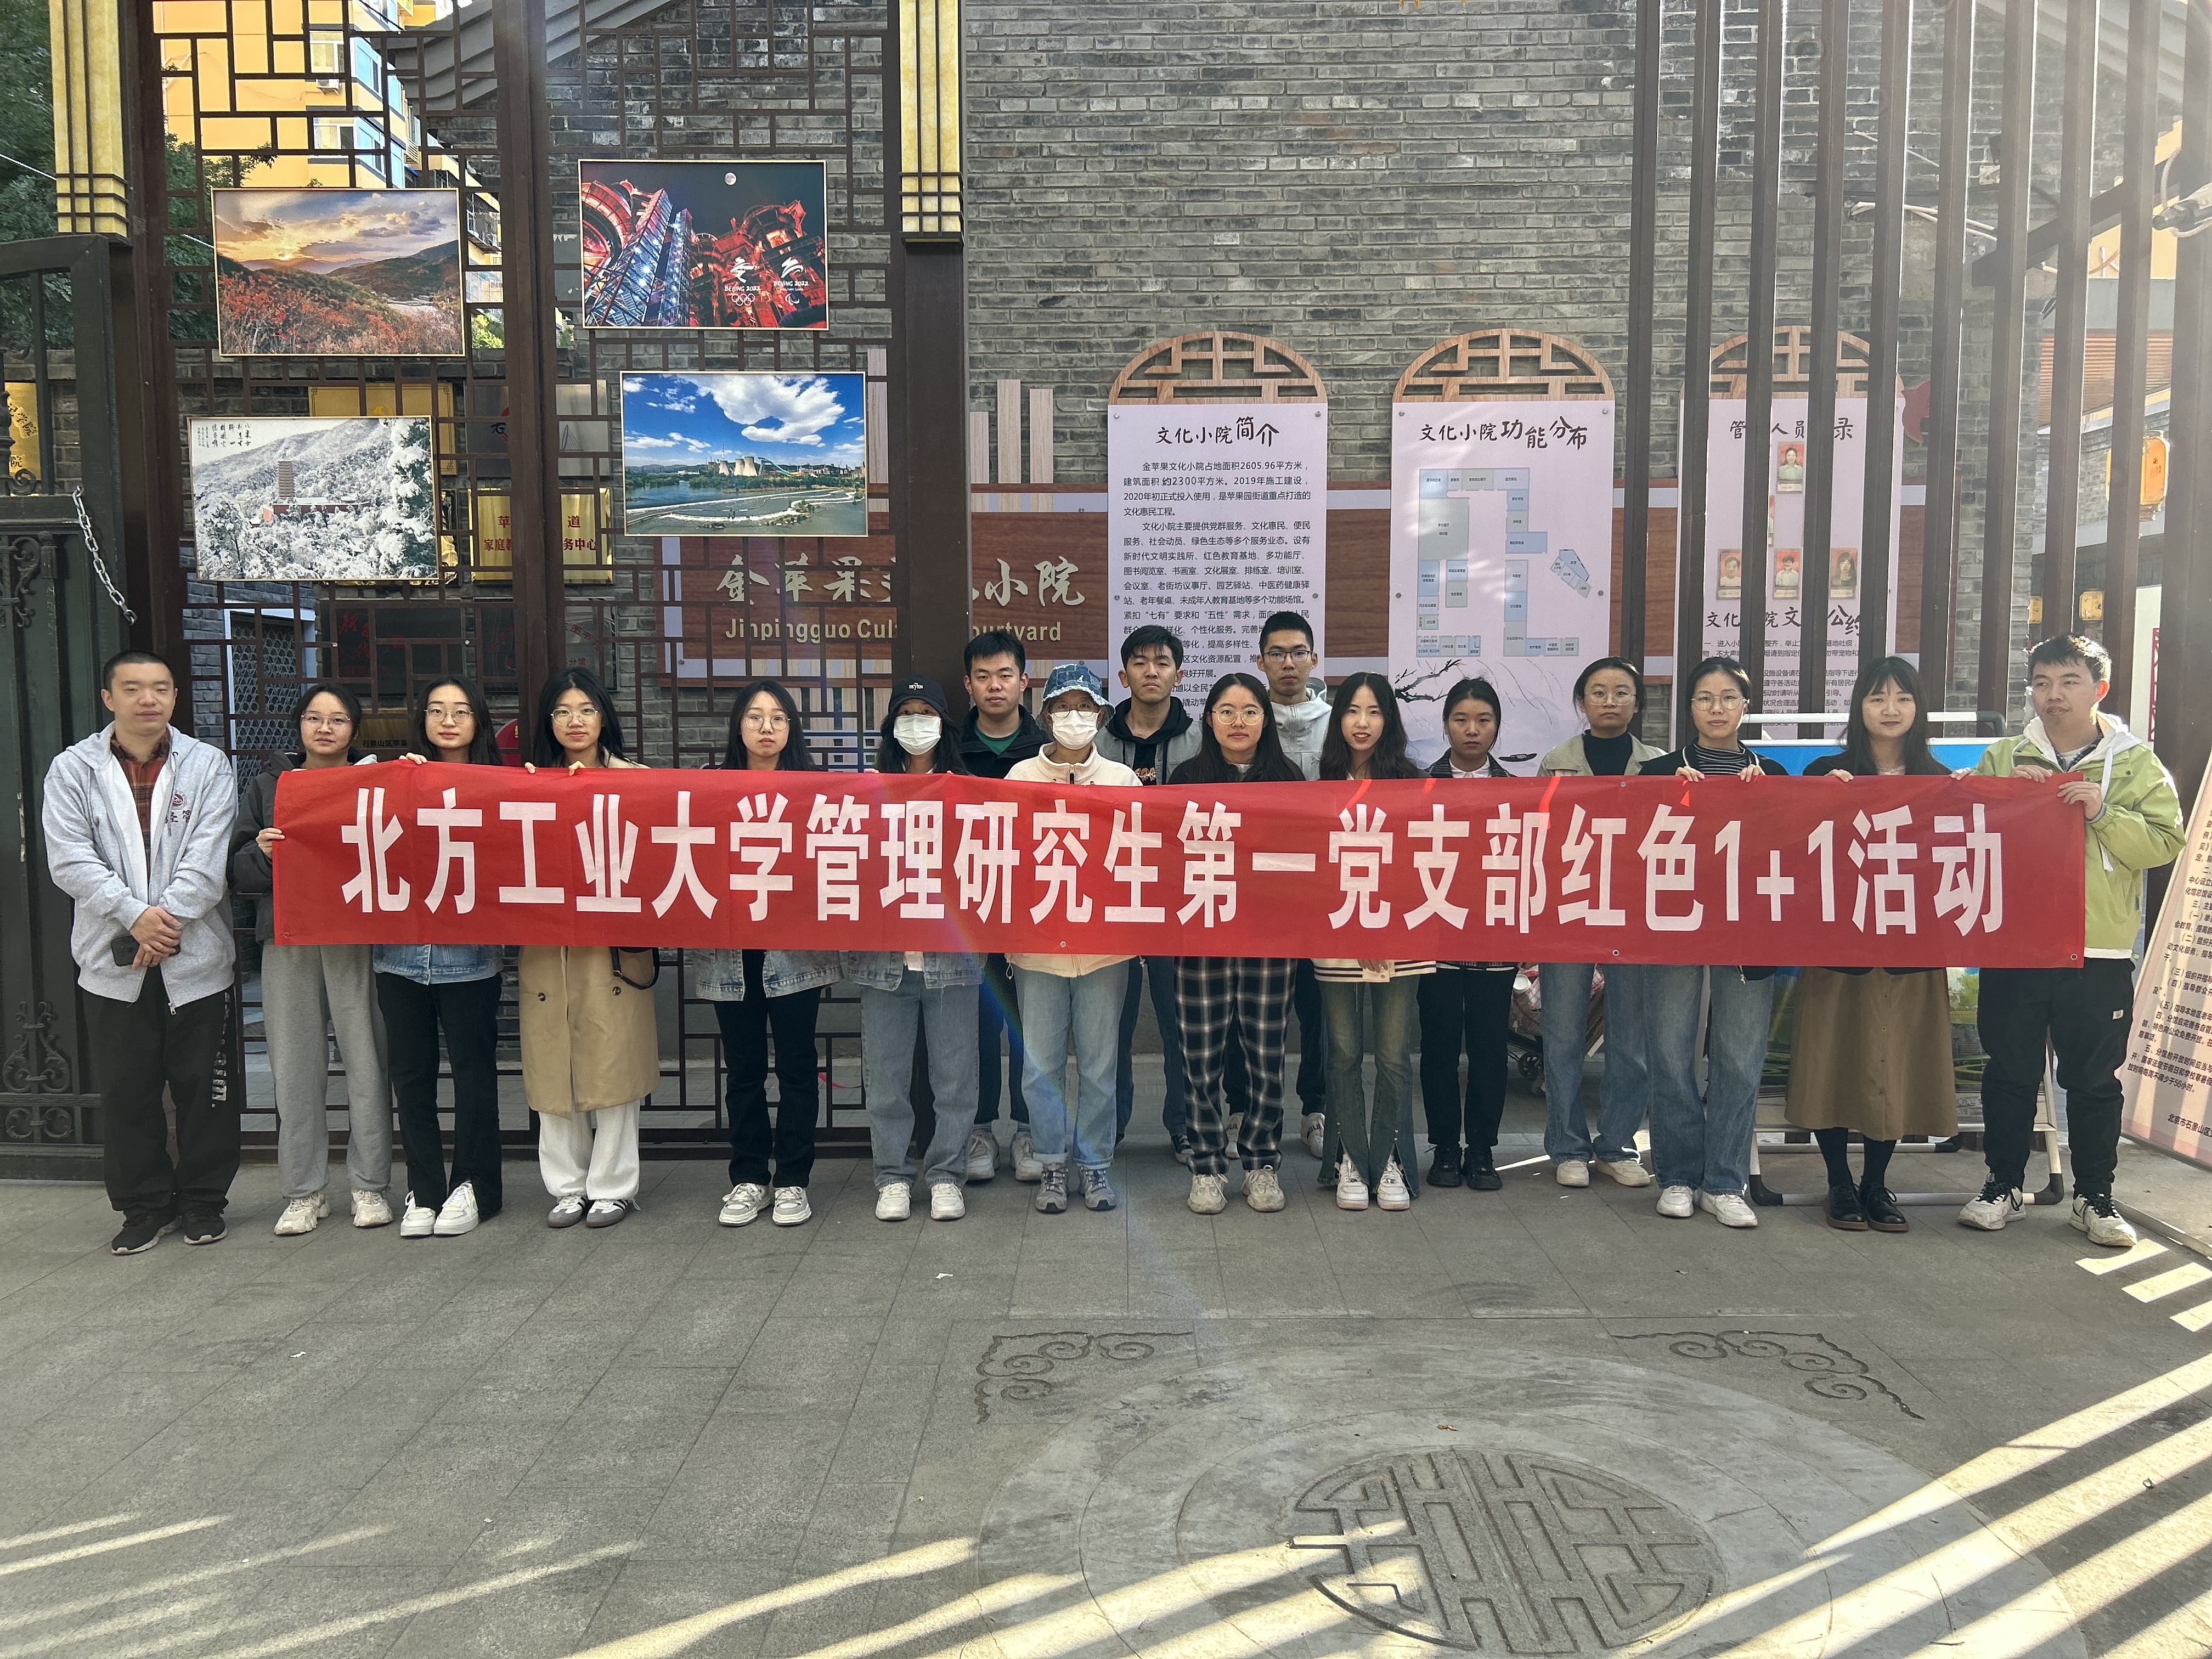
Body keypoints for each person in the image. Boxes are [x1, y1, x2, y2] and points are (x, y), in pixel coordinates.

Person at [1960, 634, 2182, 1248]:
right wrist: (2006, 796)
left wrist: (2102, 811)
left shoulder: (2136, 763)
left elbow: (2165, 843)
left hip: (2097, 949)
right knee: (2009, 1071)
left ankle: (2095, 1197)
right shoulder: (2003, 756)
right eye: (2042, 683)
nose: (2053, 695)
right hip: (2016, 943)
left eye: (2069, 681)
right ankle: (2003, 1186)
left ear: (2099, 689)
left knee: (2093, 1079)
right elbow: (1962, 826)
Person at [44, 651, 240, 1255]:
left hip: (196, 957)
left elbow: (209, 859)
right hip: (111, 960)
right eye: (132, 689)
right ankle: (144, 1206)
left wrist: (163, 923)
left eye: (159, 688)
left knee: (205, 1089)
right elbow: (69, 859)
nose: (147, 699)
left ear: (175, 697)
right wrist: (134, 916)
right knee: (127, 1090)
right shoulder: (73, 769)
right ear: (109, 698)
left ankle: (204, 1201)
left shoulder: (207, 765)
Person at [1787, 658, 1957, 1233]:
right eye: (1877, 698)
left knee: (1896, 1064)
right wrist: (1819, 801)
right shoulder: (1827, 771)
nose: (1890, 710)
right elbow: (1792, 847)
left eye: (1903, 698)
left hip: (1912, 946)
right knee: (1831, 1059)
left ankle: (1877, 1183)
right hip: (1840, 944)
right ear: (1858, 707)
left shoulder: (1938, 778)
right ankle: (1838, 1182)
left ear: (1919, 708)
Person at [232, 681, 396, 1237]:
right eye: (314, 718)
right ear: (298, 725)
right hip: (290, 936)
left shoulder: (376, 783)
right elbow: (237, 871)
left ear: (355, 730)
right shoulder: (268, 786)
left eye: (338, 719)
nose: (325, 728)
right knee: (295, 1067)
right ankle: (304, 1191)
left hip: (356, 936)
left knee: (367, 1061)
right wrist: (262, 853)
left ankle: (369, 1184)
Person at [1637, 657, 1789, 1229]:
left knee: (1740, 1059)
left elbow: (1795, 847)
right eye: (1705, 698)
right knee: (1670, 1053)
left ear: (1746, 707)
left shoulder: (1773, 773)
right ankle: (1677, 1175)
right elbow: (1631, 845)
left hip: (1750, 930)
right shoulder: (1658, 772)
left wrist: (1766, 800)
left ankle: (1725, 1181)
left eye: (1729, 698)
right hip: (1675, 926)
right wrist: (1670, 798)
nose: (1717, 708)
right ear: (1690, 708)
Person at [697, 679, 839, 1231]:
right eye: (755, 717)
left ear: (791, 729)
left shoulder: (815, 791)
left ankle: (793, 1179)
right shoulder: (709, 787)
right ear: (738, 726)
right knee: (744, 1072)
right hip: (731, 953)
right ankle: (750, 1177)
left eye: (778, 718)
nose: (766, 728)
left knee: (798, 1068)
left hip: (795, 954)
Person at [520, 669, 658, 1230]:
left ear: (604, 717)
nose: (574, 721)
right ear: (548, 722)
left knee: (613, 1061)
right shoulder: (527, 784)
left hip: (610, 948)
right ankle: (567, 1187)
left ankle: (613, 1186)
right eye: (562, 711)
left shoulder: (637, 781)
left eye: (586, 710)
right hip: (548, 945)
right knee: (554, 1063)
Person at [1007, 664, 1141, 1213]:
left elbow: (1139, 859)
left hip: (1104, 950)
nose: (1074, 717)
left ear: (1102, 716)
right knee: (1040, 1066)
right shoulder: (1020, 778)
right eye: (1063, 707)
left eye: (1086, 707)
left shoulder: (1123, 781)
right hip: (1037, 949)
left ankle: (1095, 1164)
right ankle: (1051, 1164)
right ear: (1045, 716)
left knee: (1099, 1065)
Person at [1172, 673, 1305, 1215]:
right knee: (1200, 1057)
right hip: (1202, 936)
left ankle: (1261, 1163)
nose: (1238, 722)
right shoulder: (1187, 779)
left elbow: (1302, 860)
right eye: (1226, 711)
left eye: (1250, 711)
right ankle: (1206, 1166)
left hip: (1269, 939)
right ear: (1209, 720)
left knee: (1265, 1056)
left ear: (1266, 720)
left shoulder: (1289, 780)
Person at [850, 675, 982, 1222]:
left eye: (927, 713)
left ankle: (947, 1174)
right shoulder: (865, 790)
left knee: (955, 1079)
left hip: (953, 962)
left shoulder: (969, 791)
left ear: (944, 725)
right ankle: (892, 1177)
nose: (916, 723)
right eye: (906, 713)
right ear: (891, 726)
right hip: (883, 963)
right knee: (886, 1080)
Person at [380, 678, 506, 1239]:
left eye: (461, 711)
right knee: (411, 1079)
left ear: (479, 721)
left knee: (474, 1078)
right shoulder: (394, 780)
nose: (448, 721)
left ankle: (475, 1186)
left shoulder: (501, 784)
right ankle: (424, 1189)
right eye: (436, 710)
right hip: (398, 958)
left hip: (470, 959)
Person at [1536, 658, 1664, 1191]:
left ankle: (1617, 1145)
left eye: (1621, 692)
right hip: (1569, 912)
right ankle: (1567, 1146)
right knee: (1563, 1035)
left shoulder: (1658, 766)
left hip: (1635, 915)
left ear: (1637, 703)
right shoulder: (1556, 763)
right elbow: (1539, 840)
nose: (1610, 701)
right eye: (1598, 692)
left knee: (1629, 1039)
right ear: (1582, 702)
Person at [1313, 673, 1432, 1211]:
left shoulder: (1412, 783)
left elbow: (1421, 866)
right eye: (1352, 711)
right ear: (1338, 719)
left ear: (1390, 719)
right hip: (1337, 932)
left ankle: (1390, 1160)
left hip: (1400, 935)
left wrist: (1382, 930)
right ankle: (1350, 1160)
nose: (1362, 723)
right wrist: (1355, 929)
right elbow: (1315, 870)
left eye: (1374, 712)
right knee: (1341, 1054)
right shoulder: (1321, 783)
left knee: (1392, 1057)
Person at [1096, 625, 1199, 1161]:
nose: (1151, 671)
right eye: (1140, 662)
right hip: (1112, 897)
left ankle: (1184, 1123)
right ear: (1124, 675)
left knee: (1181, 1020)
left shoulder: (1200, 739)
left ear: (1178, 675)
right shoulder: (1099, 741)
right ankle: (1110, 1125)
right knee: (1110, 1021)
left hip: (1179, 899)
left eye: (1162, 662)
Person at [1419, 678, 1519, 1193]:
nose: (1472, 730)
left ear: (1497, 726)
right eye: (1461, 720)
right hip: (1435, 938)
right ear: (1446, 725)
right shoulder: (1418, 788)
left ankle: (1481, 1150)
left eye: (1483, 720)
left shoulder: (1518, 791)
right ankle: (1443, 1147)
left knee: (1488, 1049)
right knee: (1437, 1047)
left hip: (1495, 939)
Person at [958, 630, 1044, 1181]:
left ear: (1023, 681)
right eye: (983, 676)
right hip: (969, 907)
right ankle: (982, 1129)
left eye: (1005, 675)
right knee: (978, 1024)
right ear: (968, 684)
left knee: (1030, 1025)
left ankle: (1031, 1129)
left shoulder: (1047, 750)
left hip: (1033, 906)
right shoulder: (950, 751)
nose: (995, 686)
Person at [1255, 611, 1330, 1159]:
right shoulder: (1246, 719)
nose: (1288, 662)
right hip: (1261, 886)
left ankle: (1317, 1108)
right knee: (1258, 1005)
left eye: (1298, 652)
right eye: (1277, 653)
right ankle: (1253, 1108)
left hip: (1324, 887)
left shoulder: (1338, 721)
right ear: (1260, 661)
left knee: (1319, 1005)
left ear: (1314, 659)